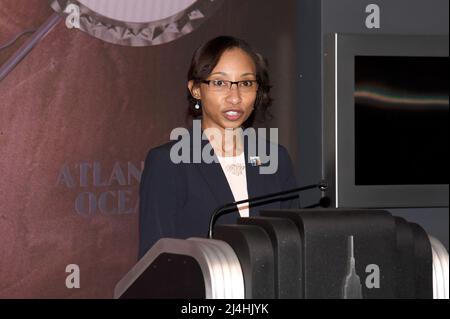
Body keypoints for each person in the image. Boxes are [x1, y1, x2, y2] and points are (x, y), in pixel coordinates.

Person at [139, 36, 299, 259]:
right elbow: (154, 263)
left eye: (245, 83)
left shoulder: (275, 159)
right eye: (219, 83)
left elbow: (292, 251)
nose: (234, 97)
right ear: (196, 89)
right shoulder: (169, 163)